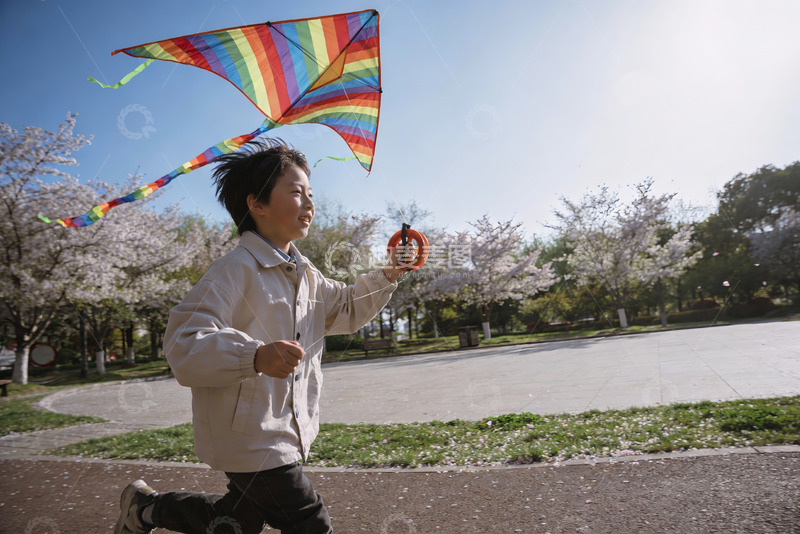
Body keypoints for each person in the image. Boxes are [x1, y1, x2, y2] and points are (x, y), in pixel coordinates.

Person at [114, 139, 405, 534]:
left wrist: (388, 274)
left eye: (311, 194)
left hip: (285, 429)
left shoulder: (308, 275)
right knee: (310, 522)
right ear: (258, 204)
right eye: (296, 192)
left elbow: (347, 307)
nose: (309, 204)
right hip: (251, 437)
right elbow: (183, 342)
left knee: (235, 521)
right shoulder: (235, 269)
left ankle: (146, 508)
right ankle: (148, 509)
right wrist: (253, 356)